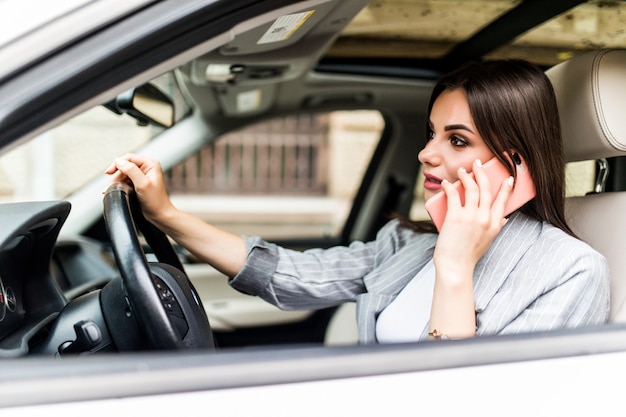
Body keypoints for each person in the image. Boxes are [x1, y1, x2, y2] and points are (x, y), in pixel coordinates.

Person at [106, 59, 610, 344]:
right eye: (432, 133)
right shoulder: (408, 240)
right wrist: (166, 216)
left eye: (457, 140)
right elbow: (292, 275)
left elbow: (463, 398)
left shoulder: (572, 271)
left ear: (514, 163)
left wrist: (455, 267)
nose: (426, 154)